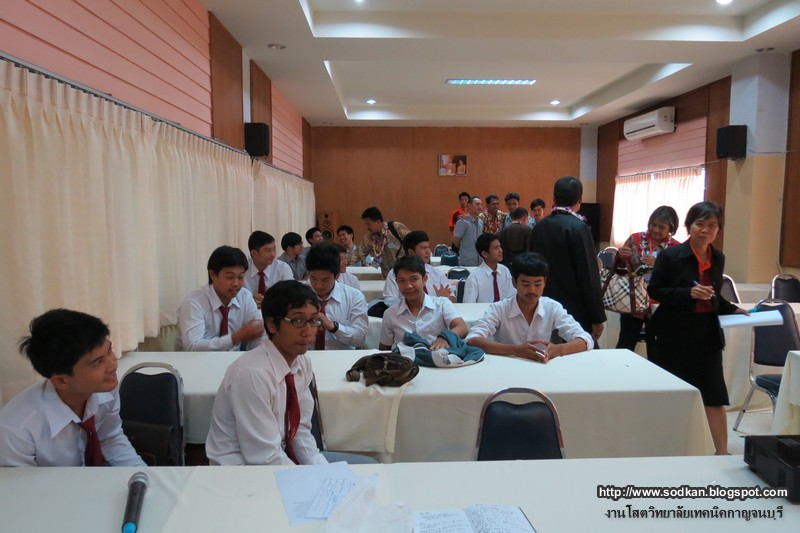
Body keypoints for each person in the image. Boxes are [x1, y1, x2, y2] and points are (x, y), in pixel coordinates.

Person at [648, 201, 748, 456]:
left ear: (718, 230)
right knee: (674, 395)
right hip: (674, 334)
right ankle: (668, 451)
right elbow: (655, 290)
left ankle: (722, 453)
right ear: (688, 226)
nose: (705, 230)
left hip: (707, 335)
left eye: (712, 225)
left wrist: (732, 308)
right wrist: (688, 293)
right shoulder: (671, 256)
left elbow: (713, 295)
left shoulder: (718, 257)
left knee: (714, 394)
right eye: (700, 224)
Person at [0, 309, 145, 466]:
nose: (113, 365)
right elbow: (23, 482)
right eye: (98, 362)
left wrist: (142, 474)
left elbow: (110, 439)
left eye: (109, 350)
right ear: (61, 381)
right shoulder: (16, 431)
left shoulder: (105, 390)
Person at [466, 253, 593, 362]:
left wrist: (559, 349)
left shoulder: (552, 307)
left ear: (545, 282)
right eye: (525, 284)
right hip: (507, 368)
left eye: (537, 284)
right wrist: (515, 350)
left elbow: (586, 339)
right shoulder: (500, 309)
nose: (532, 290)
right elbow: (471, 340)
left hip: (542, 367)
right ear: (514, 283)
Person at [529, 176, 605, 341]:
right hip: (574, 310)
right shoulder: (579, 228)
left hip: (543, 305)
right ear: (580, 200)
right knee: (579, 350)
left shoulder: (539, 227)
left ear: (554, 198)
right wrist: (597, 316)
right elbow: (589, 275)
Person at [615, 206, 681, 354]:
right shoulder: (635, 239)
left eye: (661, 227)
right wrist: (620, 257)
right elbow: (620, 268)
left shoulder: (676, 248)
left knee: (656, 348)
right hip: (633, 299)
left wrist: (657, 265)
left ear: (671, 229)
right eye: (653, 225)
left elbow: (678, 276)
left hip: (659, 304)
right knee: (625, 343)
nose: (655, 230)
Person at [178, 245, 265, 351]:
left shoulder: (245, 297)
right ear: (213, 275)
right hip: (199, 360)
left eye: (241, 277)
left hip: (235, 360)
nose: (236, 283)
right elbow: (192, 347)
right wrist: (235, 338)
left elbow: (259, 336)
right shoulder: (194, 302)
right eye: (230, 277)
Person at [379, 256, 468, 350]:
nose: (408, 286)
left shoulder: (442, 304)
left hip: (437, 356)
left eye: (414, 279)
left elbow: (462, 327)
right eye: (402, 281)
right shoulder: (391, 314)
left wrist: (445, 338)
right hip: (405, 358)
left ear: (424, 279)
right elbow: (384, 349)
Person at [305, 243, 368, 350]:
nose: (318, 285)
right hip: (306, 355)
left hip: (341, 356)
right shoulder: (299, 296)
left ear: (337, 275)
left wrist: (333, 327)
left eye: (325, 280)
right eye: (313, 278)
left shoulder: (354, 297)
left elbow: (359, 339)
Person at [383, 230, 454, 302]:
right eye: (424, 248)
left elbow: (453, 298)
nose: (428, 252)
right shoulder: (395, 274)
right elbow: (390, 301)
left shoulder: (437, 273)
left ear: (424, 279)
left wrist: (445, 298)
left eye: (428, 247)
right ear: (411, 252)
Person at [353, 207, 410, 279]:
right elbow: (357, 255)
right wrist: (342, 261)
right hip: (387, 279)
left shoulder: (396, 227)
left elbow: (413, 242)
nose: (367, 228)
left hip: (406, 275)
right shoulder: (368, 239)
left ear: (378, 221)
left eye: (368, 224)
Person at [245, 231, 294, 309]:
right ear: (254, 253)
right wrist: (247, 299)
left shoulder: (282, 268)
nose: (273, 254)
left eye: (274, 249)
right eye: (268, 250)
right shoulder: (243, 269)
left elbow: (292, 294)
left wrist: (269, 301)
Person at [463, 233, 514, 303]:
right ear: (485, 254)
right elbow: (469, 305)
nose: (501, 250)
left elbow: (512, 296)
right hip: (482, 310)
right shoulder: (475, 277)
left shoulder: (504, 270)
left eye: (500, 247)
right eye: (496, 248)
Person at [453, 196, 484, 266]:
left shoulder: (481, 222)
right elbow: (456, 241)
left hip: (479, 260)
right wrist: (465, 250)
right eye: (477, 204)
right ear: (469, 205)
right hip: (467, 261)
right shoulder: (463, 221)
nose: (480, 207)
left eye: (481, 204)